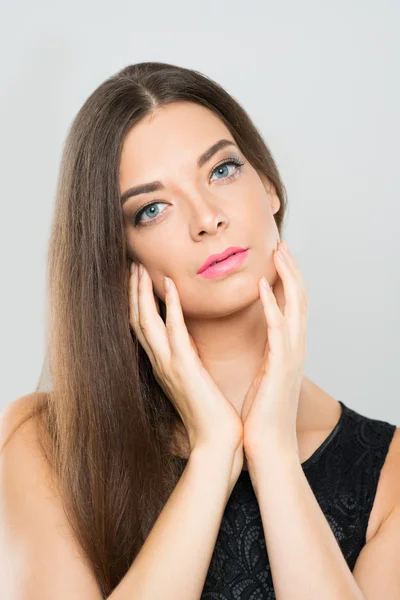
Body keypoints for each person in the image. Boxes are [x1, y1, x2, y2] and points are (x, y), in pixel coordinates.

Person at [1, 61, 399, 600]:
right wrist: (213, 454)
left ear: (269, 185)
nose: (206, 218)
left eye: (221, 171)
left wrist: (274, 455)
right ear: (120, 262)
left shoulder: (389, 470)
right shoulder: (44, 442)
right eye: (153, 209)